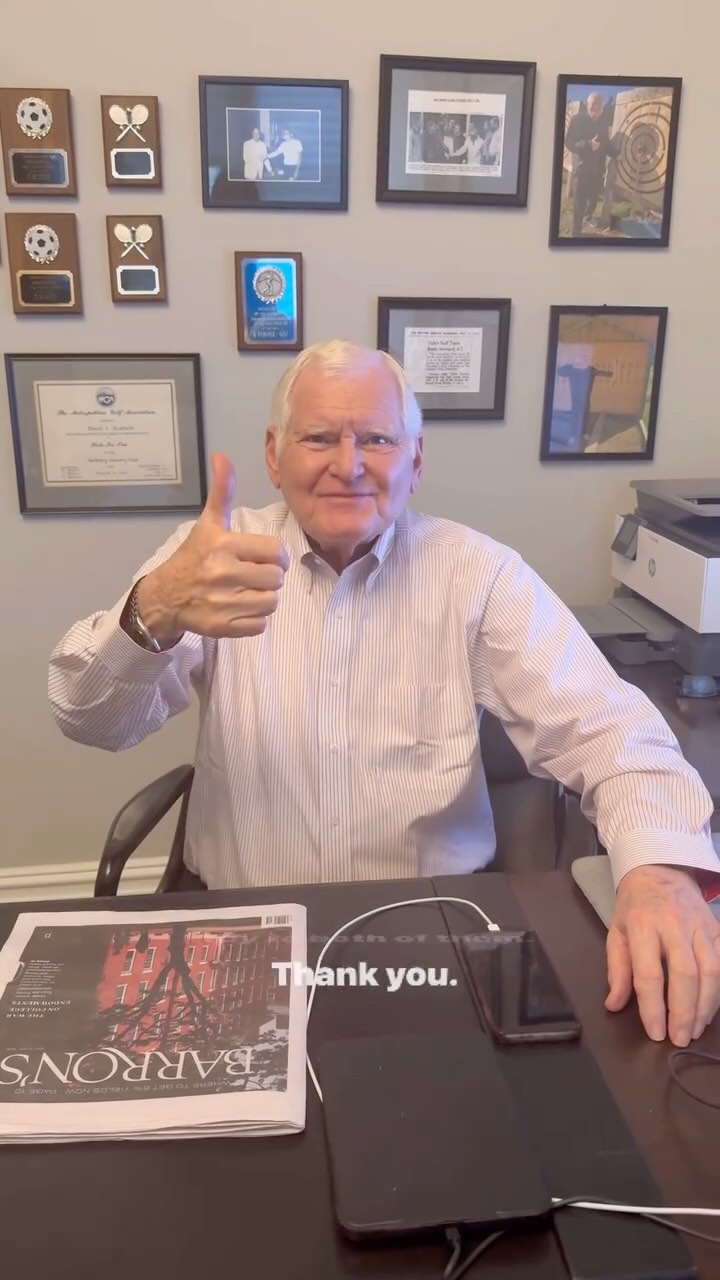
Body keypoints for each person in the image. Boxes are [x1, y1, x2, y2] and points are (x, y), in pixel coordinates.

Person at [48, 340, 720, 1048]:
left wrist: (658, 873)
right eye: (318, 438)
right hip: (247, 925)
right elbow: (91, 719)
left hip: (434, 932)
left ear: (415, 460)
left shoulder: (477, 574)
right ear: (274, 455)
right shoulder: (216, 560)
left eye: (376, 439)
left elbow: (611, 732)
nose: (348, 465)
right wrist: (151, 610)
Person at [564, 92, 614, 235]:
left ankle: (588, 216)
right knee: (579, 203)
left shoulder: (603, 123)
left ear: (602, 108)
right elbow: (569, 142)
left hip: (598, 170)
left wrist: (617, 154)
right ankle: (576, 232)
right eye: (593, 104)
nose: (596, 107)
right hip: (583, 170)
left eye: (599, 104)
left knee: (594, 198)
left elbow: (606, 144)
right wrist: (587, 145)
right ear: (587, 105)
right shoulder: (577, 120)